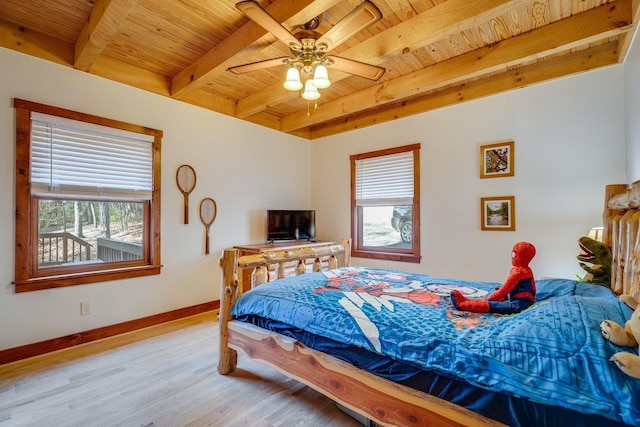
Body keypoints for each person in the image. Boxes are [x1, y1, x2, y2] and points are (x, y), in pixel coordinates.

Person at [450, 241, 536, 314]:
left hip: (519, 304)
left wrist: (490, 298)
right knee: (498, 298)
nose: (512, 257)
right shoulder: (527, 269)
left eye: (514, 254)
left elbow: (504, 290)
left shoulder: (518, 271)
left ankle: (462, 304)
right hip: (526, 300)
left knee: (494, 306)